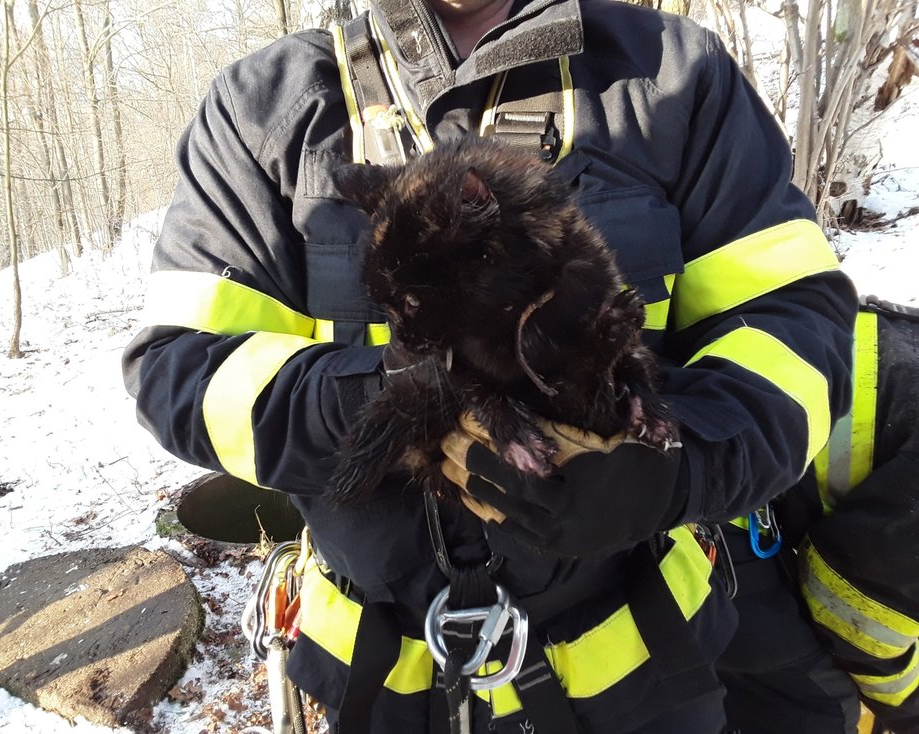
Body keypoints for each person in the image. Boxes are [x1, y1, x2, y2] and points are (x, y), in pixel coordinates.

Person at [122, 0, 859, 731]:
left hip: (646, 664)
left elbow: (795, 324)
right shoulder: (268, 107)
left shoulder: (670, 72)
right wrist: (390, 398)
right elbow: (180, 371)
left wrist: (685, 464)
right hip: (383, 682)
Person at [715, 296, 919, 734]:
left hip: (743, 419)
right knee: (819, 708)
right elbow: (850, 612)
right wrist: (910, 710)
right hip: (716, 505)